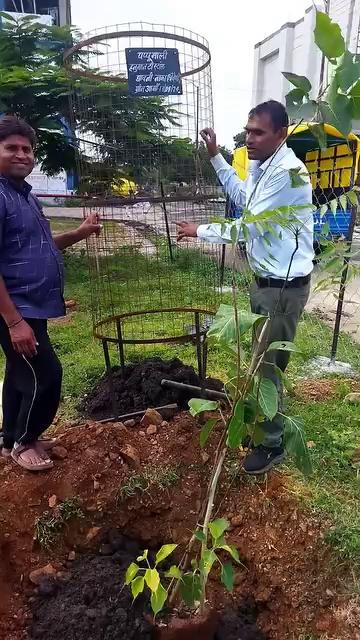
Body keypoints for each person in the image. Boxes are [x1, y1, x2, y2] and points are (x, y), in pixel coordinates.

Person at [176, 100, 314, 475]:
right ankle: (260, 425)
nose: (249, 139)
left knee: (268, 365)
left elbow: (249, 224)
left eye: (258, 132)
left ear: (280, 135)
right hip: (265, 282)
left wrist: (199, 230)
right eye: (248, 130)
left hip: (283, 286)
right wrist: (216, 157)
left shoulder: (287, 172)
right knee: (258, 358)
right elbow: (243, 199)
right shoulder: (261, 166)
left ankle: (271, 443)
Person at [0, 115, 101, 471]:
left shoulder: (24, 196)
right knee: (46, 374)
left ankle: (9, 437)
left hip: (31, 305)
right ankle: (24, 442)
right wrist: (14, 323)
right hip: (14, 307)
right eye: (11, 147)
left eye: (26, 149)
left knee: (18, 373)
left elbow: (41, 248)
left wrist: (80, 233)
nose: (21, 155)